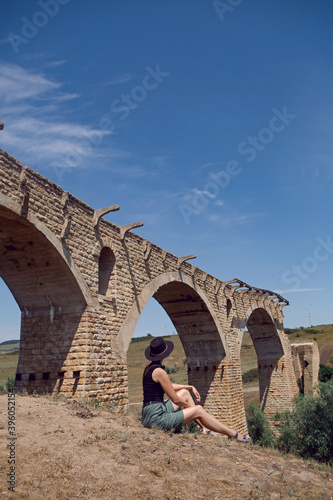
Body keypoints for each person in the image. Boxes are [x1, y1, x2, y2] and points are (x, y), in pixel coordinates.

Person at [141, 336, 251, 443]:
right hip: (157, 419)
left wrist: (189, 387)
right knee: (198, 410)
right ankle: (232, 434)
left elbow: (168, 385)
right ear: (165, 354)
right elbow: (175, 400)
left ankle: (205, 428)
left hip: (149, 413)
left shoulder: (150, 368)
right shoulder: (160, 372)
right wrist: (192, 408)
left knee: (185, 393)